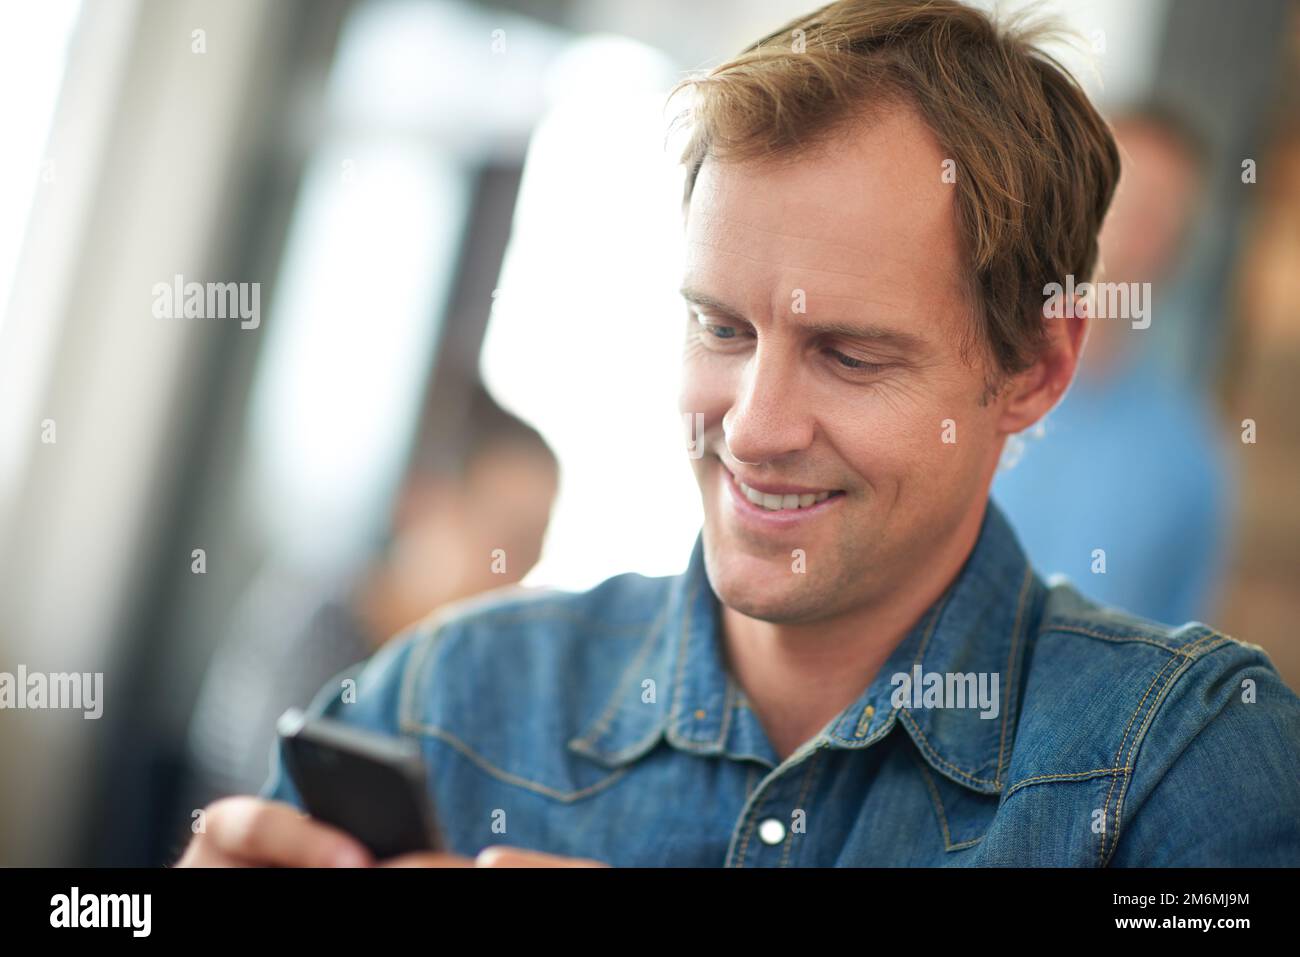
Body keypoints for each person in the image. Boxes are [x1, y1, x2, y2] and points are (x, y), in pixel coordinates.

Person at [178, 0, 1300, 868]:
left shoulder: (1187, 775)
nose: (752, 429)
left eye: (849, 355)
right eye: (721, 326)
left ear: (1034, 369)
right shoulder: (448, 697)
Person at [182, 381, 558, 806]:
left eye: (532, 549)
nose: (513, 575)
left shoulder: (467, 668)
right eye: (506, 540)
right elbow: (275, 797)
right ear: (421, 504)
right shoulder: (317, 619)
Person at [992, 105, 1235, 627]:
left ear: (1178, 248)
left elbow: (1175, 655)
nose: (1123, 239)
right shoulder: (968, 380)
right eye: (1117, 204)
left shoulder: (1189, 457)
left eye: (1156, 217)